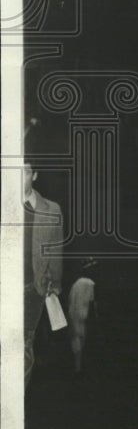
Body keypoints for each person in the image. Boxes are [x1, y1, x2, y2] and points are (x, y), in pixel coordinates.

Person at [23, 160, 64, 389]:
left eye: (26, 172)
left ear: (35, 175)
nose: (20, 178)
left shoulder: (52, 209)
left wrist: (54, 289)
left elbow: (56, 251)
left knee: (24, 348)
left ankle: (18, 402)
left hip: (33, 290)